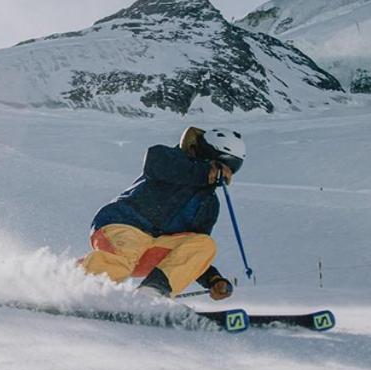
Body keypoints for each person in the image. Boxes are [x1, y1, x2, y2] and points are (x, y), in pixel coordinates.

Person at [80, 127, 246, 299]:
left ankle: (151, 294)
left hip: (153, 248)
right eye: (221, 166)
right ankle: (87, 291)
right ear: (207, 155)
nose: (224, 174)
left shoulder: (209, 204)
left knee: (205, 244)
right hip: (123, 226)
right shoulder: (171, 159)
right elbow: (155, 164)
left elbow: (187, 252)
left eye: (231, 170)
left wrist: (212, 278)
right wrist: (203, 172)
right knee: (125, 251)